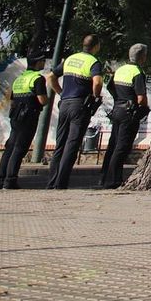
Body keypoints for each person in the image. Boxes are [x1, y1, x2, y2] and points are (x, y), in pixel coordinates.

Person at [45, 34, 104, 189]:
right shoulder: (93, 62)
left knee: (60, 143)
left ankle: (51, 182)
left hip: (64, 103)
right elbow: (97, 81)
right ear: (96, 46)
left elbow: (50, 77)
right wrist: (95, 96)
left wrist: (61, 92)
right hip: (80, 105)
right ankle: (61, 183)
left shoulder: (70, 59)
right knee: (72, 144)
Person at [100, 43, 149, 189]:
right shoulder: (137, 72)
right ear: (142, 57)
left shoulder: (120, 70)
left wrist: (119, 100)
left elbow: (110, 87)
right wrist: (144, 108)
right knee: (122, 146)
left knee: (113, 145)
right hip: (129, 112)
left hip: (117, 110)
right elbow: (141, 97)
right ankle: (114, 180)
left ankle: (104, 177)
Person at [0, 55, 47, 190]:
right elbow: (42, 100)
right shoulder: (37, 78)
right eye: (42, 61)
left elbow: (12, 100)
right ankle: (10, 181)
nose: (44, 63)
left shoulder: (19, 79)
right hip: (29, 116)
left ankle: (0, 180)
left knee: (10, 147)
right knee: (20, 148)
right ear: (37, 63)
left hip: (15, 116)